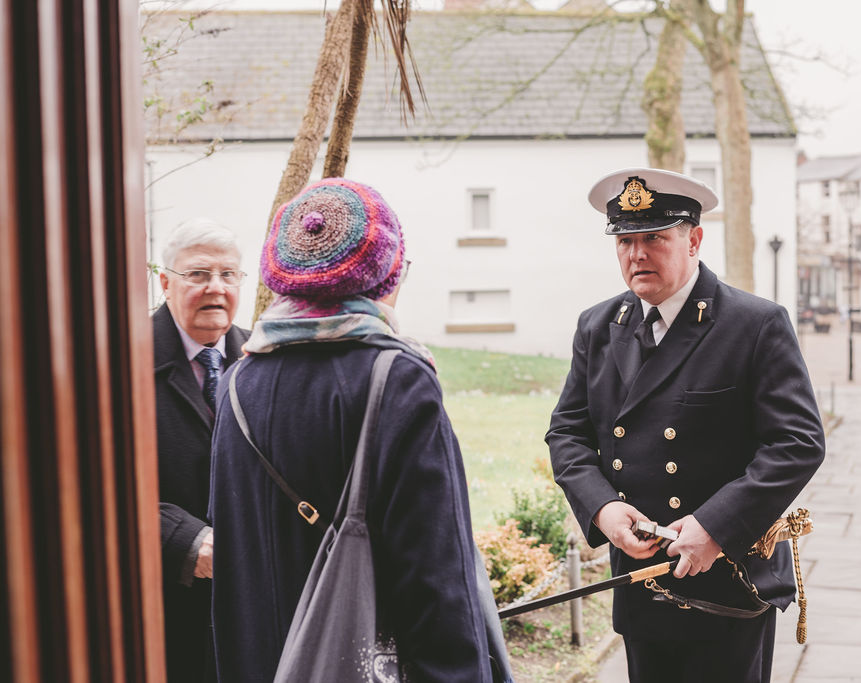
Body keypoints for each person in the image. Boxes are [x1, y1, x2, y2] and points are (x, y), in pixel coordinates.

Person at [209, 178, 507, 682]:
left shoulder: (238, 381)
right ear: (386, 276)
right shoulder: (398, 380)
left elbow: (233, 562)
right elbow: (436, 575)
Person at [547, 168, 825, 682]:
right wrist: (604, 510)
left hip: (727, 580)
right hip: (640, 575)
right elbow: (567, 433)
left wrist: (714, 526)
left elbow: (798, 443)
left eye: (654, 237)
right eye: (626, 240)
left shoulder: (755, 324)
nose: (637, 254)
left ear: (693, 239)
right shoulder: (599, 326)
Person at [153, 218, 249, 683]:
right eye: (199, 274)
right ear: (165, 282)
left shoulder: (264, 360)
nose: (216, 287)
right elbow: (86, 488)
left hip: (251, 605)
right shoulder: (118, 361)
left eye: (228, 275)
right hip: (160, 607)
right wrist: (183, 539)